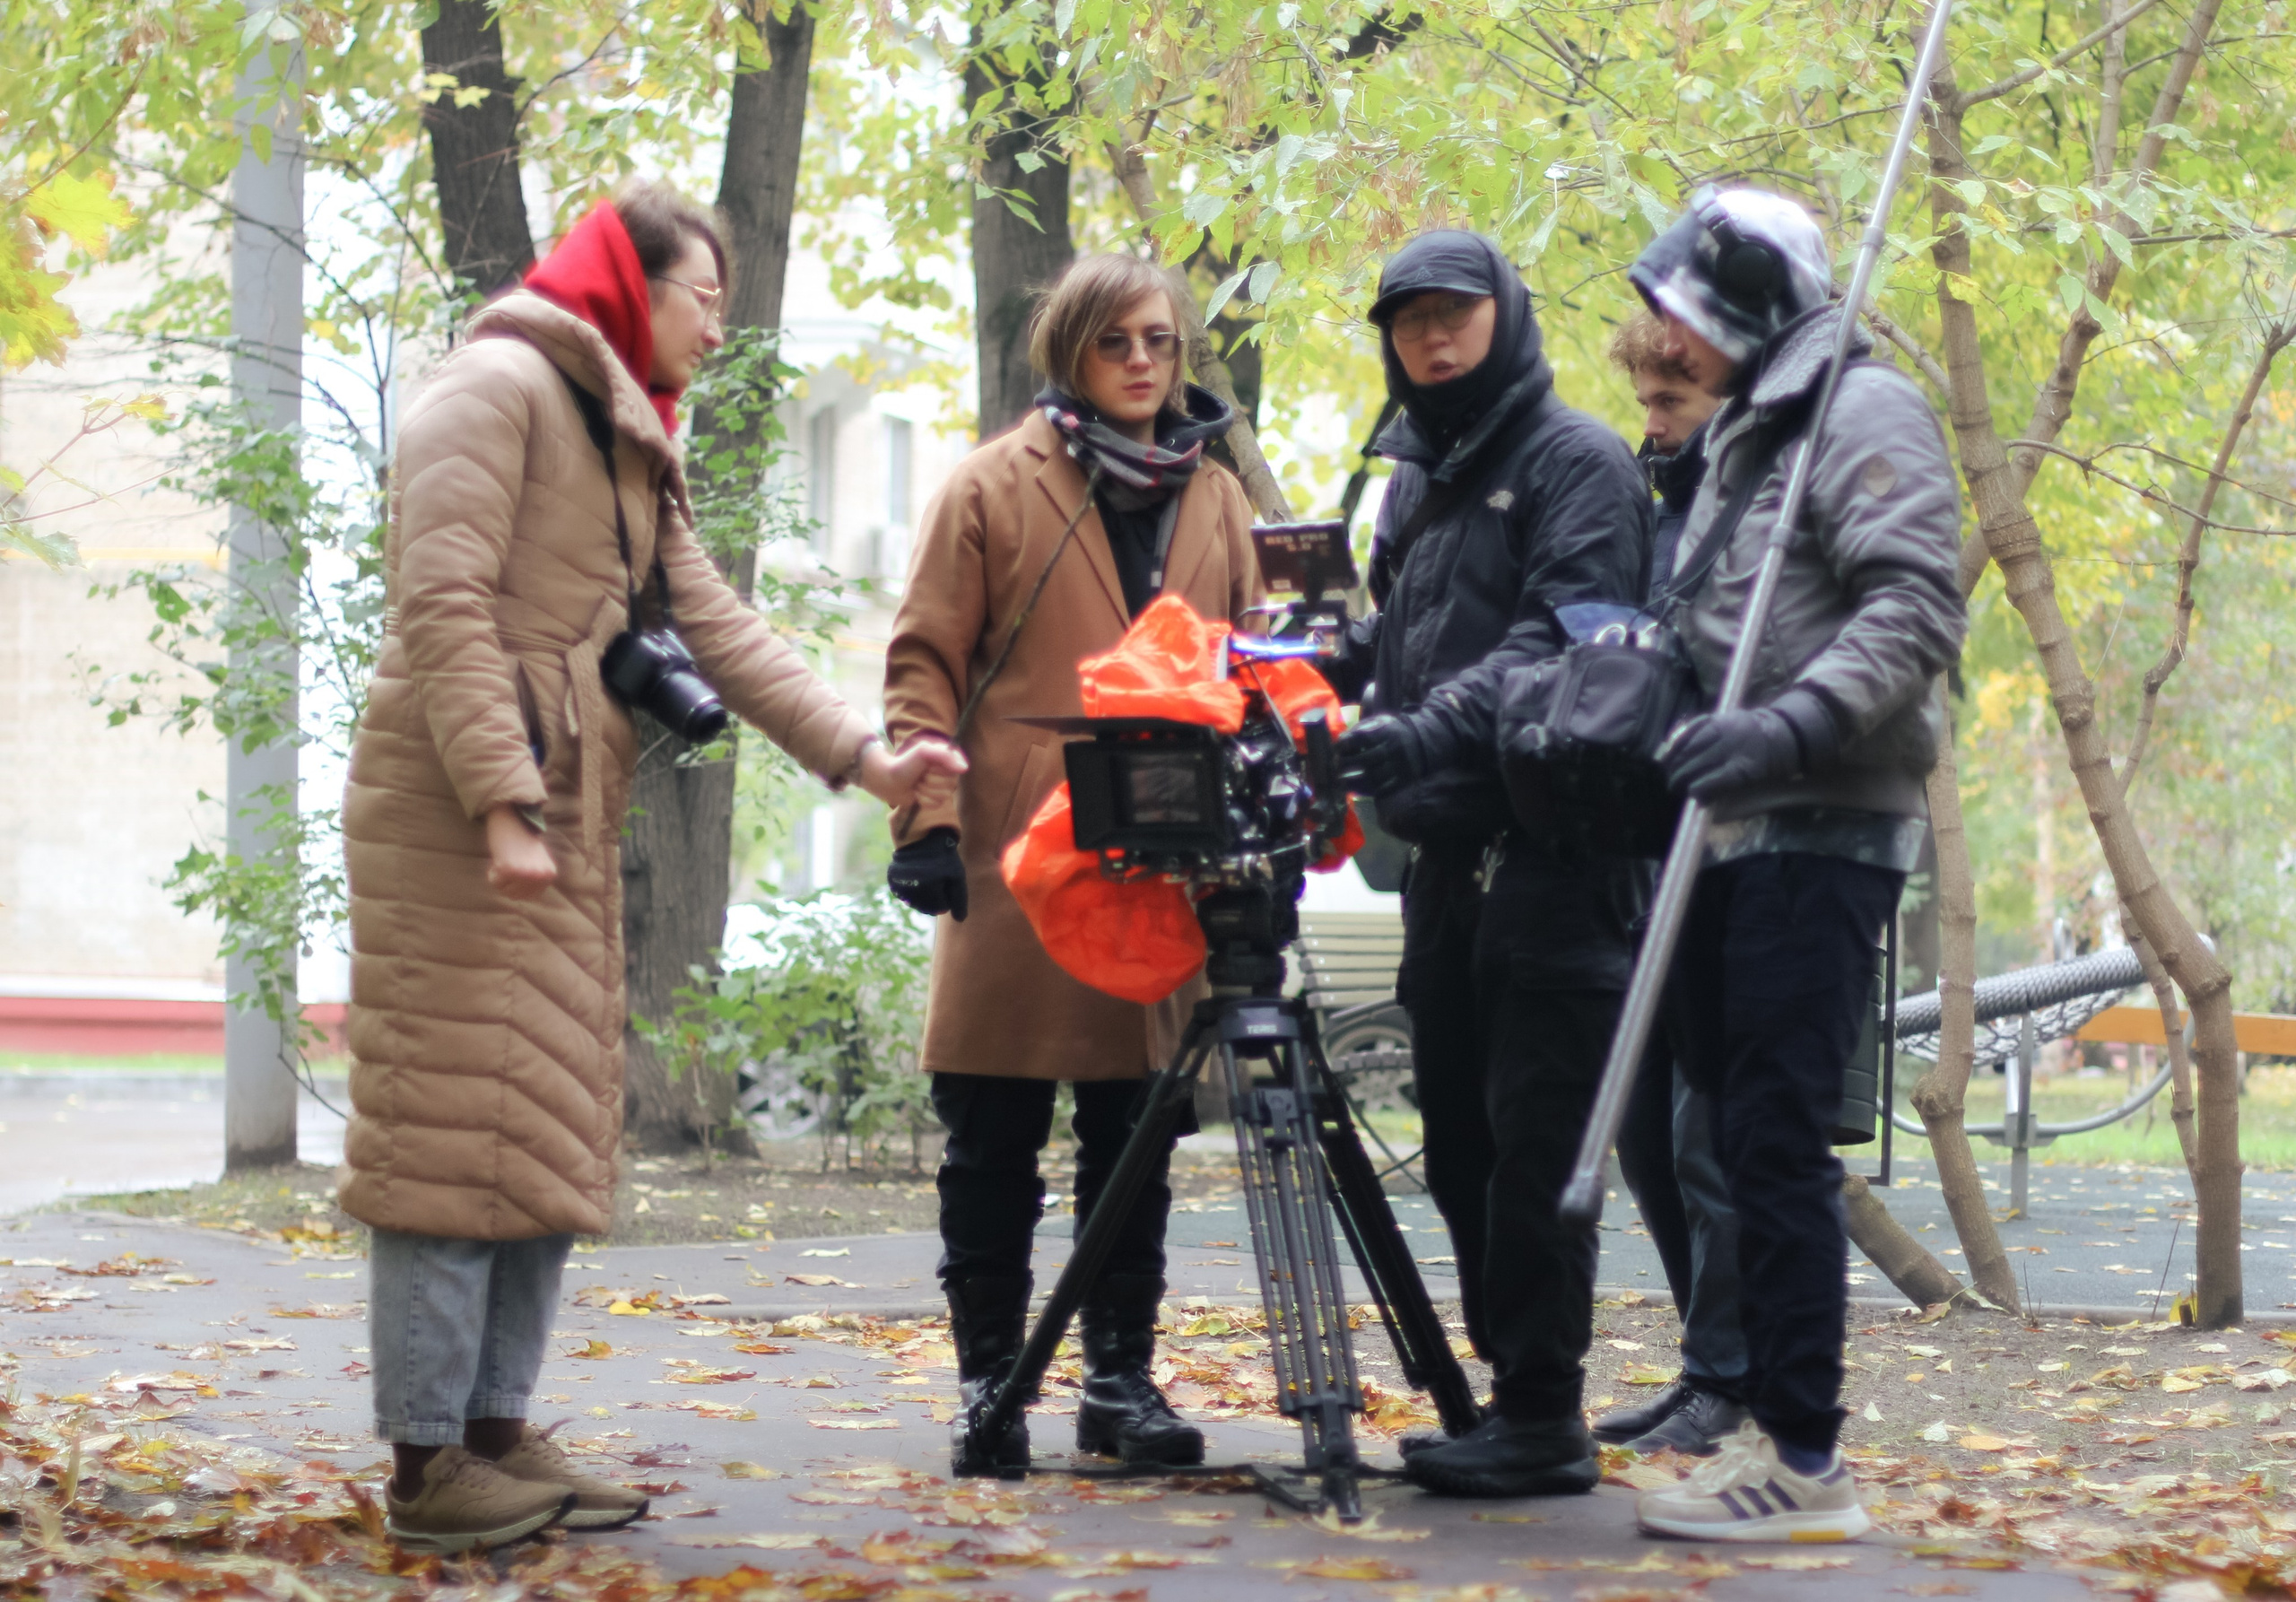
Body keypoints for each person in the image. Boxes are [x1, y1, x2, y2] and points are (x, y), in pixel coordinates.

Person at [338, 181, 964, 1554]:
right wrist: (505, 802)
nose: (717, 331)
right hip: (460, 812)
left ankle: (496, 1430)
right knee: (452, 1134)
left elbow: (719, 625)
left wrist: (865, 757)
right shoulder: (494, 384)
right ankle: (428, 1463)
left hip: (556, 807)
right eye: (705, 299)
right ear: (632, 285)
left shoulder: (622, 433)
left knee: (543, 1124)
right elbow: (437, 601)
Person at [880, 255, 1261, 1473]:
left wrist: (1255, 835)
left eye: (1160, 340)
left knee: (1135, 1133)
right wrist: (927, 822)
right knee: (990, 1134)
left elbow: (1252, 669)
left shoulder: (1219, 496)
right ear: (1071, 355)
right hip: (1016, 847)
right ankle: (991, 1379)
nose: (1144, 361)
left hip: (1159, 854)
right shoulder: (992, 485)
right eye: (1116, 343)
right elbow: (923, 664)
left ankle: (1118, 1380)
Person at [1624, 187, 1963, 1540]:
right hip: (1727, 829)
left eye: (1686, 311)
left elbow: (1915, 601)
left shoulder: (1861, 412)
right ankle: (1769, 1425)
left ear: (1748, 306)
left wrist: (1789, 725)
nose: (1666, 335)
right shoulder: (1745, 433)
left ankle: (1808, 1461)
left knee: (1771, 1137)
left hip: (1816, 824)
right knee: (1730, 1122)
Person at [1330, 231, 1652, 1497]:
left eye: (1455, 314)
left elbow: (1558, 648)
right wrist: (1293, 675)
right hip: (1446, 860)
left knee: (1536, 1146)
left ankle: (1543, 1414)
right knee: (1460, 1142)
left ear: (1503, 317)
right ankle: (1512, 1395)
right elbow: (1389, 650)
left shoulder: (1579, 462)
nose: (1433, 337)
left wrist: (1419, 725)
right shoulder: (1419, 483)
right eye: (1408, 322)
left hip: (1560, 859)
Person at [1585, 312, 1752, 1458]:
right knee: (1644, 1128)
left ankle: (1733, 1376)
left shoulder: (1757, 506)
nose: (1650, 425)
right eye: (1641, 401)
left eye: (1668, 402)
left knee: (1709, 1132)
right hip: (1648, 849)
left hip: (1743, 848)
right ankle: (1708, 1360)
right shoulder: (1660, 510)